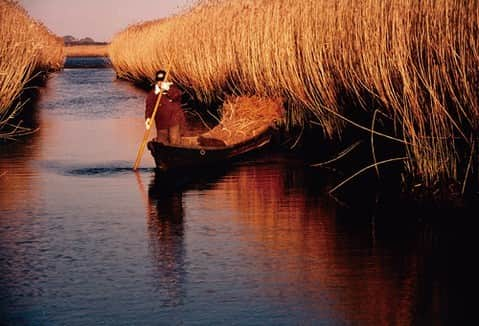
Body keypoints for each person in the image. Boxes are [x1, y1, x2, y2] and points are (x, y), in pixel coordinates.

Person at [145, 70, 186, 144]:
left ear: (166, 80)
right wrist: (148, 119)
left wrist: (168, 89)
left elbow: (178, 96)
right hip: (161, 123)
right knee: (161, 143)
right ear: (156, 82)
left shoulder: (173, 89)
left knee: (174, 140)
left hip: (174, 121)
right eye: (159, 81)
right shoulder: (153, 94)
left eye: (162, 81)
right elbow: (149, 108)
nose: (160, 83)